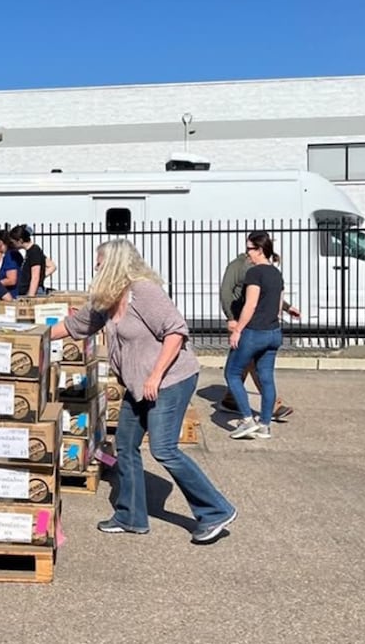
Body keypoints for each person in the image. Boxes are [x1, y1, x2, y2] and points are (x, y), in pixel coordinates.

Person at [50, 239, 236, 543]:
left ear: (115, 265)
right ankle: (131, 516)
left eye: (99, 262)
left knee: (164, 449)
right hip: (138, 385)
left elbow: (176, 331)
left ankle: (215, 510)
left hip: (169, 381)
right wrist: (34, 335)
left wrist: (155, 376)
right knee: (125, 444)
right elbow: (75, 326)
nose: (95, 267)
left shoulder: (144, 291)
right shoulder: (107, 301)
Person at [218, 250, 300, 419]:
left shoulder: (261, 269)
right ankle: (273, 406)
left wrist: (287, 307)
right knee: (253, 364)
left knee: (246, 363)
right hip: (242, 321)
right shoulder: (238, 265)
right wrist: (232, 318)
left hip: (255, 324)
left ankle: (231, 399)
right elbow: (226, 291)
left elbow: (265, 294)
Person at [227, 231, 286, 441]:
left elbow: (250, 304)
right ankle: (265, 425)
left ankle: (247, 420)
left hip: (254, 332)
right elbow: (278, 306)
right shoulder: (276, 273)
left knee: (232, 374)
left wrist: (238, 330)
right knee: (266, 378)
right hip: (273, 332)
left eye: (250, 249)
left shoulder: (254, 273)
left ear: (260, 250)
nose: (247, 253)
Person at [10, 224, 49, 297]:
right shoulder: (31, 252)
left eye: (13, 242)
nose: (12, 245)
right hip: (27, 291)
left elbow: (35, 276)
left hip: (32, 292)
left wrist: (30, 297)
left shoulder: (34, 251)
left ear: (20, 241)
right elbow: (51, 266)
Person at [0, 228, 23, 297]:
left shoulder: (10, 256)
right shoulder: (14, 254)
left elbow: (12, 280)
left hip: (13, 295)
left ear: (0, 242)